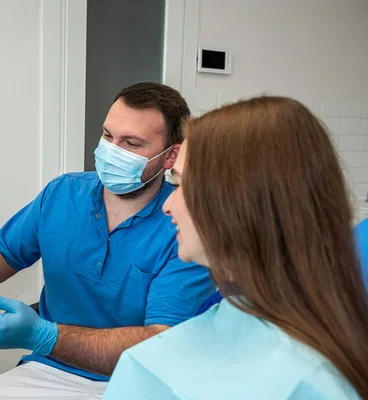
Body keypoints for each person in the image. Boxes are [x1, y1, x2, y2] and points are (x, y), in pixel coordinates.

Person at [0, 82, 216, 399]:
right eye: (108, 136)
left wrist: (45, 335)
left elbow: (159, 342)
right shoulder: (63, 193)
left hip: (134, 381)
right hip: (47, 369)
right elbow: (2, 255)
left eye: (132, 143)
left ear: (170, 156)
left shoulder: (185, 226)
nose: (112, 151)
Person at [103, 96, 368, 399]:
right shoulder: (230, 307)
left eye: (179, 186)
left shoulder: (309, 383)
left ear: (239, 203)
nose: (167, 206)